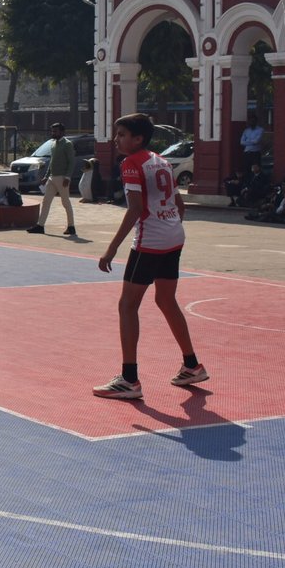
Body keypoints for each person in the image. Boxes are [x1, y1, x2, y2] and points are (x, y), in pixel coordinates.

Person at [93, 112, 208, 401]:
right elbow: (179, 204)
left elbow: (135, 209)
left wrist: (111, 248)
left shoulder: (131, 164)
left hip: (150, 242)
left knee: (127, 305)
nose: (116, 139)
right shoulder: (162, 161)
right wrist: (170, 227)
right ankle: (192, 365)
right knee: (166, 300)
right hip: (173, 237)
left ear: (138, 139)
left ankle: (129, 379)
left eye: (121, 134)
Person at [27, 122, 76, 236]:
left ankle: (71, 226)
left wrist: (67, 177)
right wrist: (46, 176)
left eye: (55, 131)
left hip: (62, 178)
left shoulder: (67, 144)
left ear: (62, 132)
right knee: (46, 201)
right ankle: (40, 226)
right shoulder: (53, 144)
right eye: (52, 131)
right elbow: (52, 162)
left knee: (65, 202)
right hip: (52, 178)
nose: (53, 133)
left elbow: (71, 162)